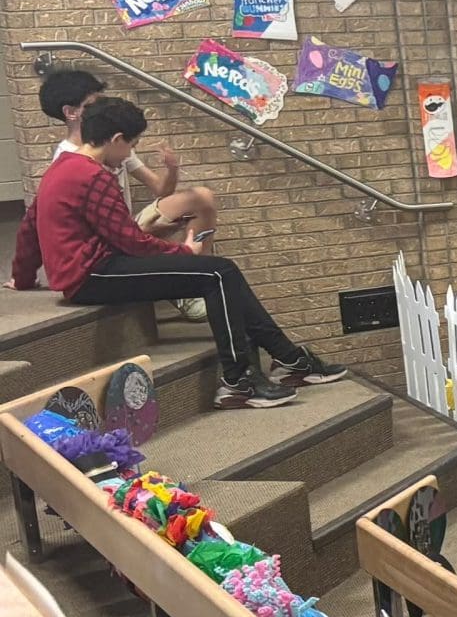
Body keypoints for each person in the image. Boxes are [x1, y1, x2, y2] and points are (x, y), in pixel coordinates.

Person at [14, 97, 342, 409]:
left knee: (221, 272)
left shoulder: (61, 167)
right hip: (93, 275)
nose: (129, 154)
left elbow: (29, 227)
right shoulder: (92, 176)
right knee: (218, 273)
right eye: (131, 145)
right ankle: (240, 380)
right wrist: (183, 251)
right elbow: (131, 242)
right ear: (116, 139)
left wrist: (23, 277)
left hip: (90, 269)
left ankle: (288, 360)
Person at [18, 68, 219, 319]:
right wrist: (22, 275)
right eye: (92, 103)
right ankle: (187, 285)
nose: (100, 107)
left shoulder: (115, 141)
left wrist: (172, 170)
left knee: (201, 198)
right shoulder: (67, 160)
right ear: (70, 112)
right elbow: (35, 224)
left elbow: (160, 190)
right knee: (150, 246)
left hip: (123, 224)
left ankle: (200, 272)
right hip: (105, 239)